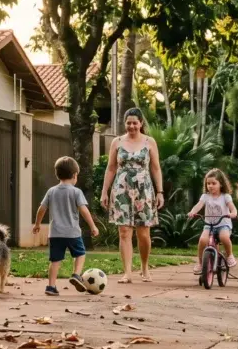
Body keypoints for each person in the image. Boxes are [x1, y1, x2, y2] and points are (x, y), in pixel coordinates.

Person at [100, 107, 164, 283]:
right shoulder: (117, 142)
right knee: (124, 231)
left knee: (143, 233)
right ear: (125, 123)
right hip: (121, 189)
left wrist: (160, 192)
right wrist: (104, 191)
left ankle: (144, 267)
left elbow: (156, 168)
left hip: (144, 190)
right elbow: (111, 168)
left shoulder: (149, 142)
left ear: (141, 123)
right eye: (128, 123)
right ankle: (127, 272)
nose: (132, 126)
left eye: (135, 123)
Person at [32, 156, 99, 296]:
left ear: (57, 174)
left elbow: (41, 209)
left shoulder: (51, 191)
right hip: (72, 233)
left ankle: (51, 286)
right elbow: (84, 210)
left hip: (55, 233)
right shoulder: (76, 192)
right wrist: (93, 226)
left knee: (55, 260)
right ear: (75, 175)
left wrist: (37, 224)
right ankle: (76, 274)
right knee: (80, 254)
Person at [188, 169, 238, 273]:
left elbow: (233, 208)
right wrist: (192, 212)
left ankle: (229, 255)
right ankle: (200, 263)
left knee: (224, 237)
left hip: (223, 225)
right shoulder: (205, 196)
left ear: (221, 184)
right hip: (209, 225)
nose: (210, 186)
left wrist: (232, 214)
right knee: (202, 240)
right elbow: (198, 205)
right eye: (208, 183)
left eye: (214, 183)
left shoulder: (225, 197)